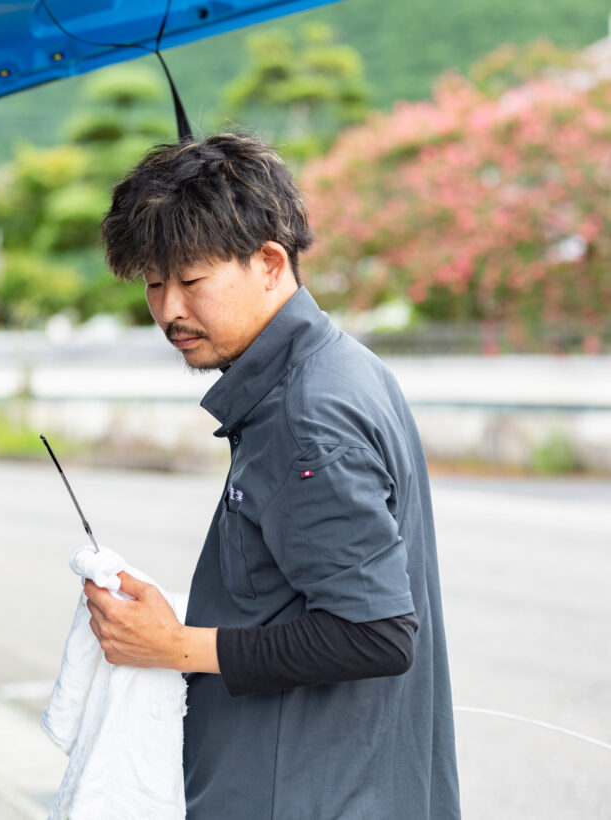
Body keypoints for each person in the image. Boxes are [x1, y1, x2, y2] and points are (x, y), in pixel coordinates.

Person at [83, 133, 460, 819]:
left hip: (310, 797)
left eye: (191, 280)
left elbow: (375, 633)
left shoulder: (305, 416)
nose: (169, 310)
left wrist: (175, 646)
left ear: (269, 262)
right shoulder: (341, 366)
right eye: (154, 283)